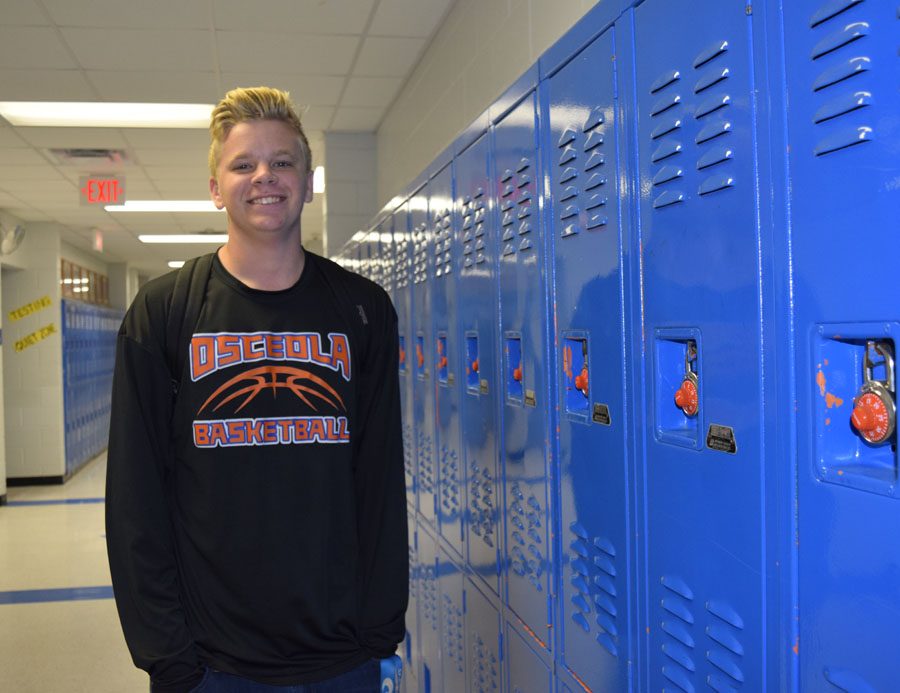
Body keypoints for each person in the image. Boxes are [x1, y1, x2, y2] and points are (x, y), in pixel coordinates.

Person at [106, 86, 408, 692]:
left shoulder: (361, 310)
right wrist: (169, 657)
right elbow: (135, 499)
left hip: (341, 655)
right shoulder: (166, 312)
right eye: (242, 164)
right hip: (215, 662)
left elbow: (378, 482)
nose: (264, 177)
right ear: (216, 187)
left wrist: (379, 634)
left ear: (308, 180)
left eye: (282, 161)